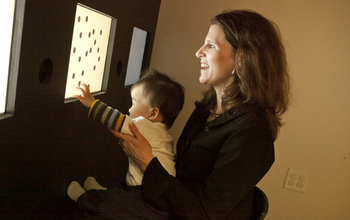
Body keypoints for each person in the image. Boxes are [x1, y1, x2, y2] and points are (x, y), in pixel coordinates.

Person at [75, 10, 290, 219]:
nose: (199, 52)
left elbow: (203, 214)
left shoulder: (253, 134)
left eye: (211, 45)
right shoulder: (206, 108)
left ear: (242, 59)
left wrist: (148, 163)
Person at [67, 69, 185, 202]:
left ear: (153, 114)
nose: (129, 109)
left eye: (134, 103)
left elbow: (117, 120)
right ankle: (100, 192)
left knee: (112, 205)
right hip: (160, 194)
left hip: (144, 196)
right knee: (119, 191)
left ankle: (84, 199)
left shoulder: (144, 125)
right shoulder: (165, 136)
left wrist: (92, 103)